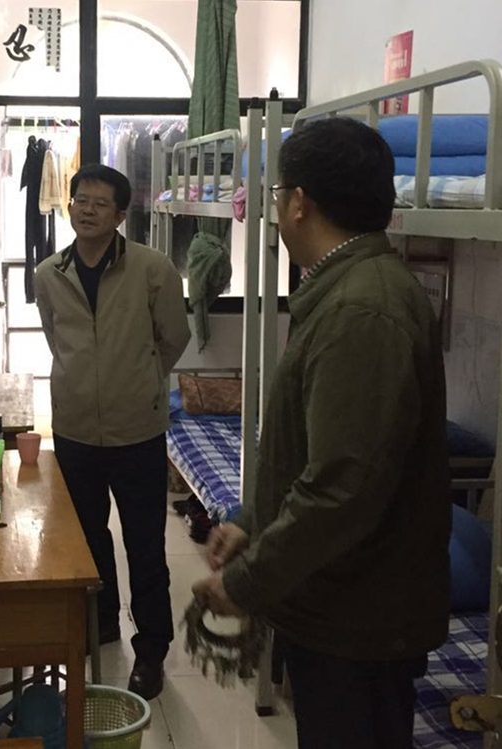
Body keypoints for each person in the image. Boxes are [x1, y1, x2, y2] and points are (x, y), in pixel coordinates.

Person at [193, 117, 451, 749]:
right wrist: (254, 520)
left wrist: (247, 583)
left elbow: (340, 488)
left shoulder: (361, 309)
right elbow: (314, 450)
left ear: (299, 202)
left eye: (278, 193)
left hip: (357, 613)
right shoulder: (344, 290)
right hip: (341, 600)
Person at [34, 164, 191, 700]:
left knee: (145, 543)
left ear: (121, 215)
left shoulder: (152, 268)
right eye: (80, 200)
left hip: (137, 430)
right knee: (87, 538)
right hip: (75, 429)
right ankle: (99, 622)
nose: (87, 210)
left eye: (100, 203)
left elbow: (174, 337)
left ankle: (152, 648)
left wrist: (139, 380)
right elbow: (56, 338)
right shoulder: (49, 273)